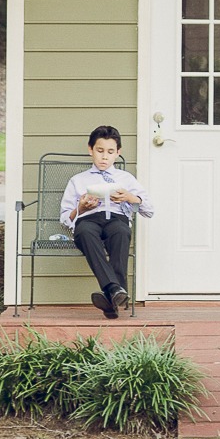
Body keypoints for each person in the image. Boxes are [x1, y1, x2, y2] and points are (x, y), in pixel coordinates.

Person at [58, 125, 154, 319]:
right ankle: (115, 289)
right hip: (89, 218)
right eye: (99, 151)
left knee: (121, 232)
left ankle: (110, 297)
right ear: (90, 149)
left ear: (118, 153)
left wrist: (129, 197)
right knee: (84, 232)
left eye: (110, 152)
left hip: (116, 219)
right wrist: (81, 208)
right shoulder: (78, 180)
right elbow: (64, 218)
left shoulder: (126, 178)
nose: (104, 157)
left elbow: (149, 210)